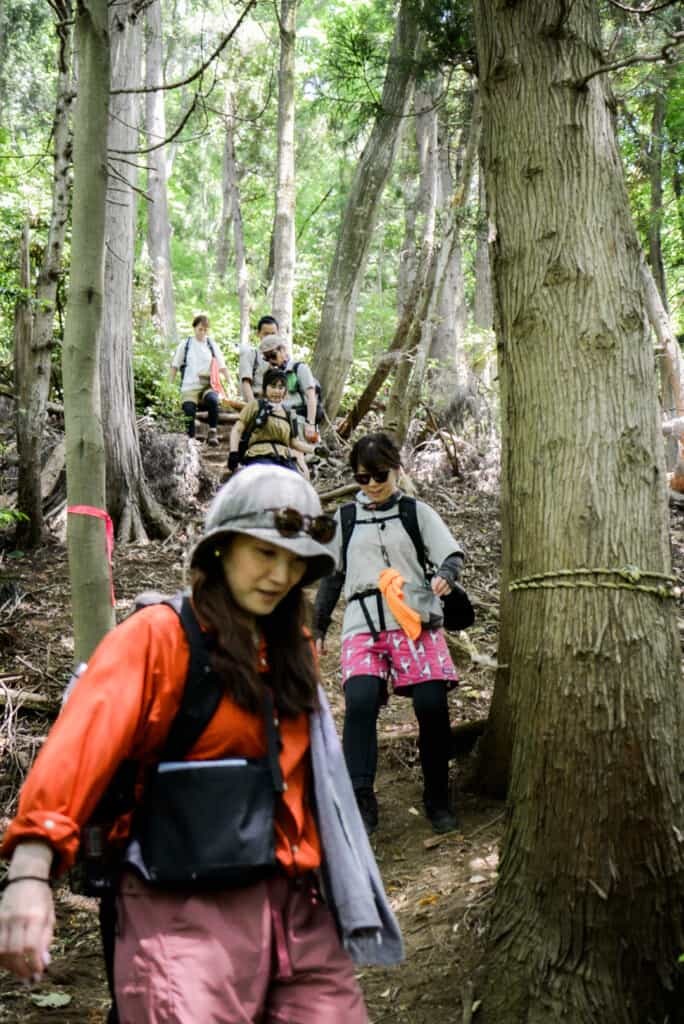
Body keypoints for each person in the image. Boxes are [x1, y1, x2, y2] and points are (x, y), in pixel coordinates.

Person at [0, 465, 403, 1023]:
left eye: (295, 562)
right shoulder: (159, 636)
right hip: (180, 914)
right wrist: (29, 873)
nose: (280, 574)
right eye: (266, 553)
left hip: (298, 911)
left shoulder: (293, 649)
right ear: (221, 548)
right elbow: (79, 746)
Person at [313, 432, 465, 836]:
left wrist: (447, 575)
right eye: (363, 477)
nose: (373, 484)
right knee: (360, 701)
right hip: (362, 622)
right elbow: (332, 577)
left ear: (395, 469)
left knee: (432, 704)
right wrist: (318, 626)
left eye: (380, 474)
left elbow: (449, 553)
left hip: (413, 617)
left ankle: (437, 797)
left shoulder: (416, 512)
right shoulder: (345, 519)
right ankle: (361, 798)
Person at [227, 367, 315, 476]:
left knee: (297, 484)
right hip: (259, 455)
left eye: (281, 387)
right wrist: (233, 453)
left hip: (285, 459)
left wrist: (315, 450)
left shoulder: (289, 414)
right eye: (273, 386)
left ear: (285, 390)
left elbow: (294, 442)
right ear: (265, 388)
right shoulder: (255, 406)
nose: (277, 391)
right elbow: (238, 429)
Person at [170, 314, 230, 445]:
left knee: (213, 400)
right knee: (189, 410)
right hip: (189, 386)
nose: (202, 332)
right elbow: (175, 365)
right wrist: (170, 384)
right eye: (200, 329)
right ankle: (191, 440)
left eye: (205, 329)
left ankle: (212, 432)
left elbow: (222, 365)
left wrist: (230, 382)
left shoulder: (211, 344)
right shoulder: (186, 344)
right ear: (194, 328)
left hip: (207, 385)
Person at [257, 335, 319, 446]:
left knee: (306, 457)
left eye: (272, 355)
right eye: (266, 358)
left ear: (283, 349)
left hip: (299, 421)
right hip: (278, 420)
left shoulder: (299, 368)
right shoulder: (270, 373)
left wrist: (311, 424)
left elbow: (311, 397)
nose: (270, 360)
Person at [239, 315, 279, 402]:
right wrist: (253, 406)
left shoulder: (282, 358)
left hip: (276, 402)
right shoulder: (250, 354)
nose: (269, 337)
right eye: (266, 334)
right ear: (258, 334)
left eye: (273, 334)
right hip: (257, 400)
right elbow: (246, 383)